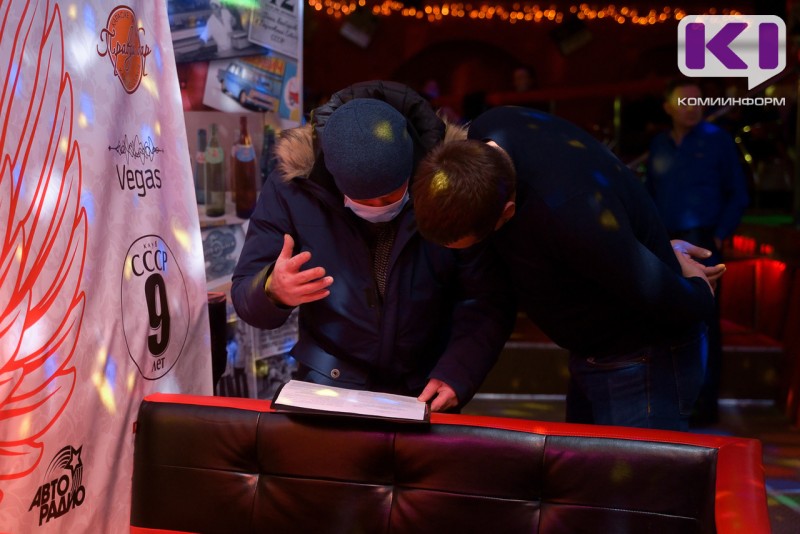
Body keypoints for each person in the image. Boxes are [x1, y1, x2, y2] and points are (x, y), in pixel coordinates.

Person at [412, 105, 725, 431]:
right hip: (592, 349)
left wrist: (693, 281)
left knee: (634, 465)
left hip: (640, 361)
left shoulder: (572, 215)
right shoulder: (489, 130)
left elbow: (672, 299)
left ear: (507, 212)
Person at [231, 81, 514, 412]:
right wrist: (272, 290)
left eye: (391, 195)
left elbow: (487, 297)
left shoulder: (450, 184)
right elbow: (245, 293)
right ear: (333, 178)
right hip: (327, 382)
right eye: (365, 199)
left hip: (424, 387)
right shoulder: (293, 188)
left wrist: (459, 371)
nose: (380, 207)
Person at [646, 78, 750, 425]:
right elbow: (650, 193)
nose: (692, 108)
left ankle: (704, 407)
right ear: (668, 107)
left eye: (697, 101)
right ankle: (666, 404)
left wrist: (719, 235)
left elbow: (738, 193)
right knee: (664, 321)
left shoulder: (718, 140)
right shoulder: (659, 143)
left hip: (703, 242)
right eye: (684, 101)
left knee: (705, 324)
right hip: (665, 244)